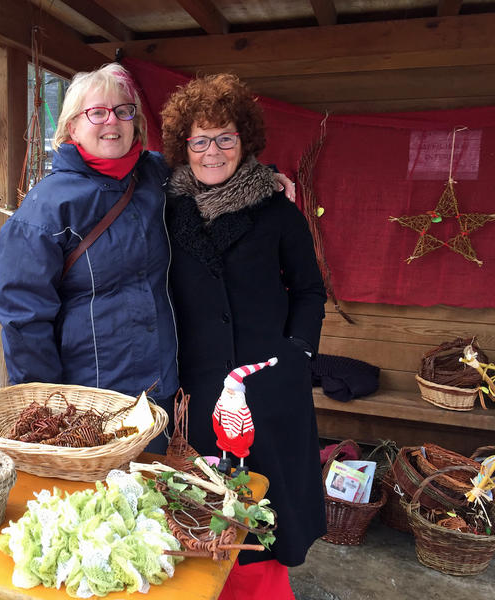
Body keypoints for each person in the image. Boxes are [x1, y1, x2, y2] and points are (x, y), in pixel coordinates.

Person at [160, 73, 327, 599]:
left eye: (225, 138)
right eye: (200, 139)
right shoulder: (166, 210)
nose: (213, 152)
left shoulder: (277, 210)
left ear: (244, 141)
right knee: (204, 511)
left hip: (269, 386)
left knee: (266, 517)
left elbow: (309, 291)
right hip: (198, 385)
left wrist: (297, 353)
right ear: (183, 146)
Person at [0, 63, 179, 419]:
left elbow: (213, 170)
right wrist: (48, 408)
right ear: (72, 126)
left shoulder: (156, 176)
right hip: (89, 402)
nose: (113, 121)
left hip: (160, 388)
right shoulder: (45, 210)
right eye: (97, 112)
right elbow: (23, 317)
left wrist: (265, 179)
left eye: (123, 111)